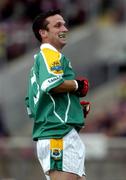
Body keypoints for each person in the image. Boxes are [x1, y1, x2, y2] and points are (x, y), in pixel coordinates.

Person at [25, 9, 90, 180]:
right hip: (58, 135)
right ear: (43, 33)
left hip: (60, 134)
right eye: (58, 25)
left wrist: (72, 107)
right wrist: (78, 85)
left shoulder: (37, 65)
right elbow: (51, 84)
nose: (65, 29)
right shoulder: (49, 55)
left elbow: (32, 108)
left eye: (64, 24)